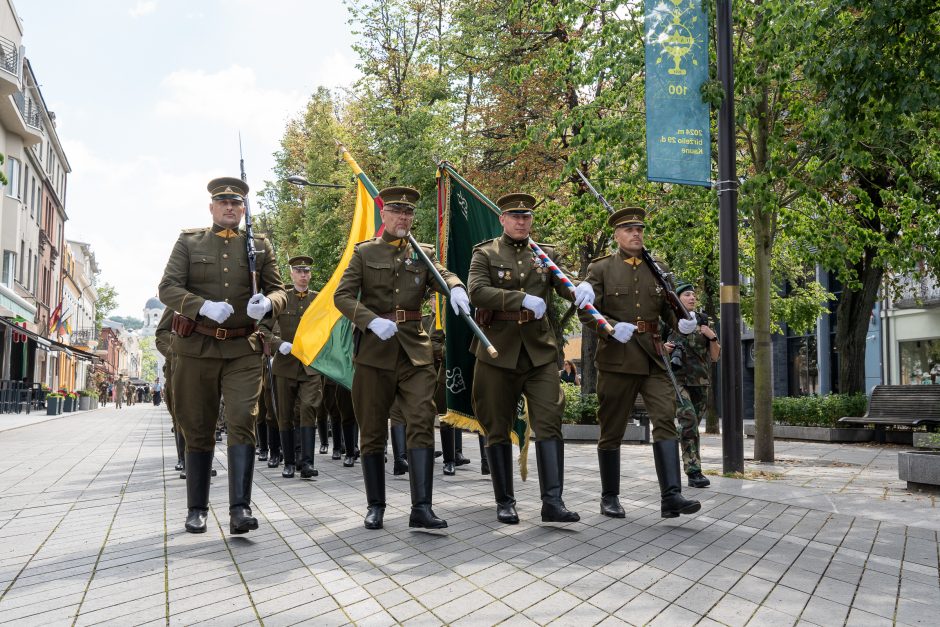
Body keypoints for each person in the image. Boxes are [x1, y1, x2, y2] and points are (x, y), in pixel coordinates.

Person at [335, 186, 469, 531]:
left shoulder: (421, 253)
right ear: (385, 215)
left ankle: (421, 508)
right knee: (373, 430)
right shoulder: (364, 253)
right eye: (397, 212)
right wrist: (369, 320)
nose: (403, 218)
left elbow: (444, 274)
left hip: (414, 352)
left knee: (422, 421)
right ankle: (375, 505)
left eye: (408, 214)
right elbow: (342, 296)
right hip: (374, 352)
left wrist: (456, 287)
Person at [158, 176, 287, 535]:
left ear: (244, 209)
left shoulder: (259, 246)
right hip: (196, 348)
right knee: (196, 425)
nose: (231, 208)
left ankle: (240, 509)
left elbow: (280, 292)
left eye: (237, 204)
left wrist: (269, 303)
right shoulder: (189, 241)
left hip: (242, 349)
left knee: (243, 417)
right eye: (224, 202)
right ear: (212, 207)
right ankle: (197, 508)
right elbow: (167, 287)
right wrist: (200, 307)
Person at [469, 192, 594, 525]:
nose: (522, 222)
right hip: (498, 350)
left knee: (550, 422)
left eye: (527, 217)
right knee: (496, 427)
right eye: (515, 217)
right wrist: (519, 299)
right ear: (503, 219)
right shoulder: (485, 253)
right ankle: (505, 501)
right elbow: (477, 292)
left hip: (539, 351)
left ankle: (553, 501)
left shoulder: (545, 254)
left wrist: (582, 288)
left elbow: (565, 283)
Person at [579, 206, 700, 519]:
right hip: (616, 358)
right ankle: (609, 496)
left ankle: (671, 496)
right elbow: (585, 310)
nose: (636, 234)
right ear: (617, 236)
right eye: (629, 230)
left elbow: (667, 308)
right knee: (612, 429)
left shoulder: (656, 267)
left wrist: (683, 322)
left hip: (652, 357)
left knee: (665, 420)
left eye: (640, 229)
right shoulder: (601, 268)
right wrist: (608, 327)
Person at [259, 255, 324, 479]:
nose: (303, 275)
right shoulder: (281, 299)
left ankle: (306, 463)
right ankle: (288, 462)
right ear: (291, 274)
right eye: (299, 271)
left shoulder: (318, 300)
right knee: (284, 415)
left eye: (307, 271)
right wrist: (278, 344)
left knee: (308, 410)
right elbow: (262, 329)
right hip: (285, 366)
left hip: (310, 366)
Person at [664, 283, 720, 489]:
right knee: (688, 420)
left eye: (694, 295)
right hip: (677, 381)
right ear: (677, 299)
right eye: (687, 295)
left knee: (693, 426)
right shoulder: (669, 322)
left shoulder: (704, 321)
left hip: (701, 383)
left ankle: (689, 462)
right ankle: (694, 471)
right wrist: (664, 349)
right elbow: (654, 348)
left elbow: (715, 356)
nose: (692, 298)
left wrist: (711, 336)